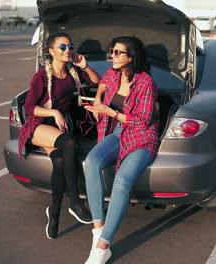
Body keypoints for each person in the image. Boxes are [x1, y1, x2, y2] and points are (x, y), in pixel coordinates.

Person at [83, 36, 160, 264]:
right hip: (118, 132)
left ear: (131, 57)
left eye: (118, 53)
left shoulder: (146, 82)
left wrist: (110, 112)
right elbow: (103, 83)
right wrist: (98, 101)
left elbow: (143, 121)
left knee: (122, 181)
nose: (112, 56)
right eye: (112, 51)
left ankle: (103, 246)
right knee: (92, 161)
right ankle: (99, 228)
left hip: (142, 138)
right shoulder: (114, 72)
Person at [18, 32, 100, 239]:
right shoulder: (42, 76)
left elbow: (96, 81)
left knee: (61, 163)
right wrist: (54, 112)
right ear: (51, 51)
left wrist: (84, 66)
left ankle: (53, 213)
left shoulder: (72, 73)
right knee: (70, 143)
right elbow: (29, 108)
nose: (68, 50)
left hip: (58, 127)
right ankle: (75, 202)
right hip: (38, 125)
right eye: (62, 47)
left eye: (70, 46)